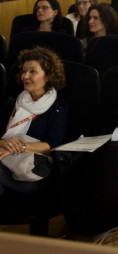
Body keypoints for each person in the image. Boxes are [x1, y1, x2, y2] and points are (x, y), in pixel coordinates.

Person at [0, 47, 68, 195]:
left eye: (32, 71)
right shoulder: (13, 101)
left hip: (29, 172)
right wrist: (3, 143)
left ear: (49, 76)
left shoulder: (58, 107)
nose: (25, 76)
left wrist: (19, 147)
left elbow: (52, 145)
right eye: (24, 71)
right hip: (3, 161)